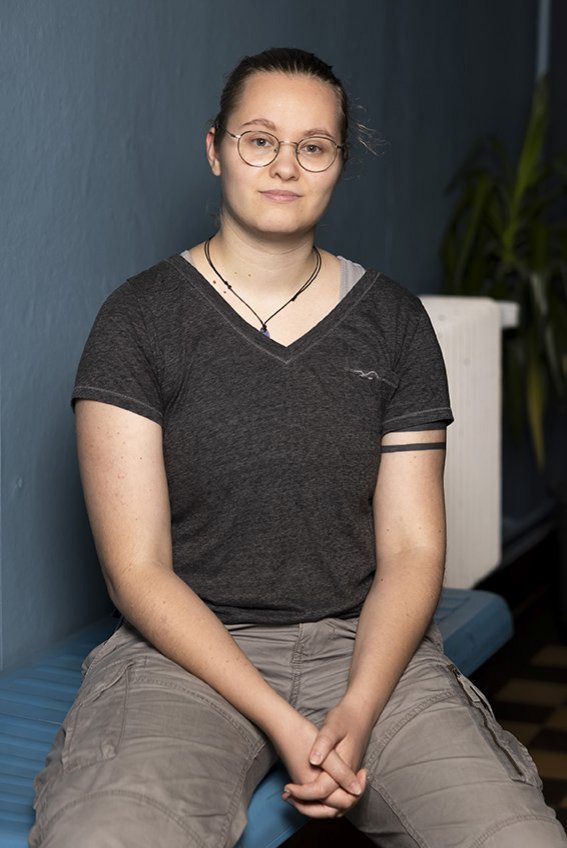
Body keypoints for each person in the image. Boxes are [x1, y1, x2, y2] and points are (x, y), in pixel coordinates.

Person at [30, 47, 566, 847]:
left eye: (312, 146)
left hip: (366, 649)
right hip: (186, 657)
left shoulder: (394, 324)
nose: (284, 164)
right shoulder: (138, 321)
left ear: (337, 164)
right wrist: (284, 721)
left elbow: (415, 549)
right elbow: (136, 568)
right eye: (258, 139)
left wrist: (355, 706)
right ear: (215, 149)